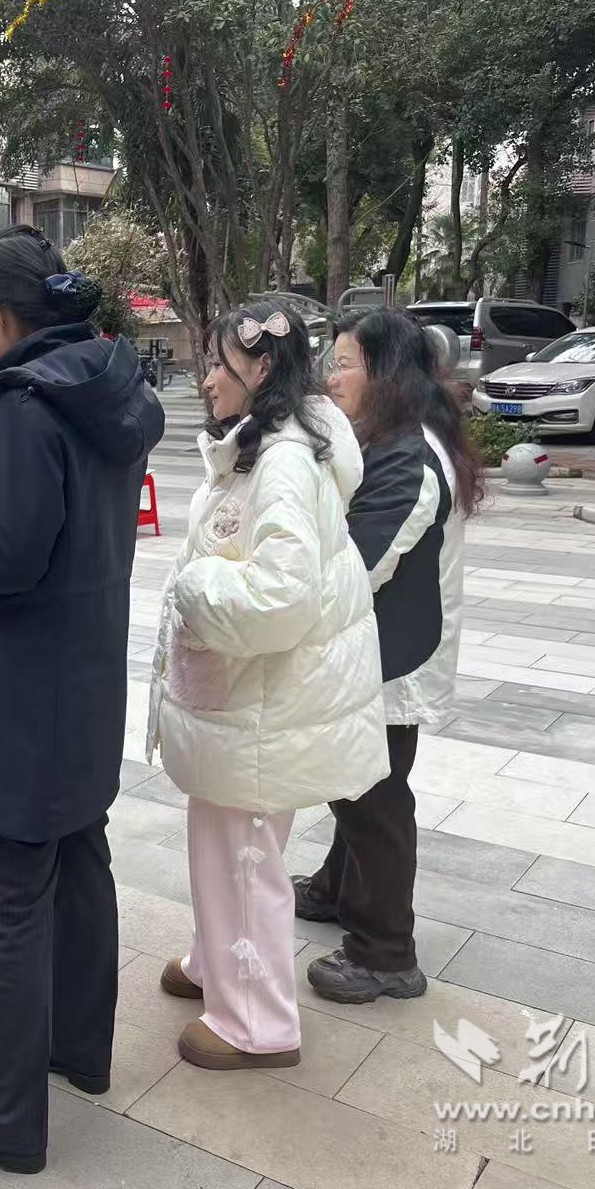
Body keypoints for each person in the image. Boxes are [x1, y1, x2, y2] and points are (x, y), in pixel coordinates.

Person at [0, 225, 163, 1174]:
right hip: (81, 686)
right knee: (80, 869)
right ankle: (79, 1050)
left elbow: (4, 561)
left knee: (10, 906)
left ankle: (4, 1120)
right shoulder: (106, 392)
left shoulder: (21, 409)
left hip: (14, 700)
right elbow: (55, 524)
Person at [144, 299, 387, 1072]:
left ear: (259, 367)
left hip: (258, 701)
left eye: (216, 363)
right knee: (228, 847)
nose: (205, 378)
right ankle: (217, 965)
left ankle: (256, 1023)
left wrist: (193, 585)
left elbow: (281, 597)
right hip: (247, 697)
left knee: (243, 859)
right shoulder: (271, 443)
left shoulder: (282, 458)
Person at [292, 307, 479, 1003]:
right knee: (359, 780)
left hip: (393, 653)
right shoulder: (398, 437)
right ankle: (336, 888)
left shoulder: (408, 455)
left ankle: (385, 951)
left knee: (373, 796)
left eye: (343, 364)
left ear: (385, 373)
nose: (330, 377)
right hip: (384, 642)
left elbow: (361, 564)